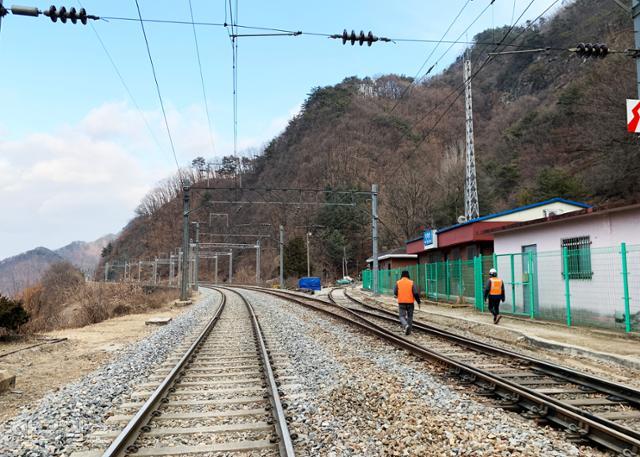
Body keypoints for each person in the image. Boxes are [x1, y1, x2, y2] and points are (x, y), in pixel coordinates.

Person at [393, 270, 421, 335]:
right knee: (410, 317)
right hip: (410, 303)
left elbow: (395, 292)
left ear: (401, 275)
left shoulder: (398, 282)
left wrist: (397, 295)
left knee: (401, 316)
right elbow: (416, 293)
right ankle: (409, 331)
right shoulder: (411, 282)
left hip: (401, 302)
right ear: (408, 275)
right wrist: (418, 302)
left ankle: (405, 326)